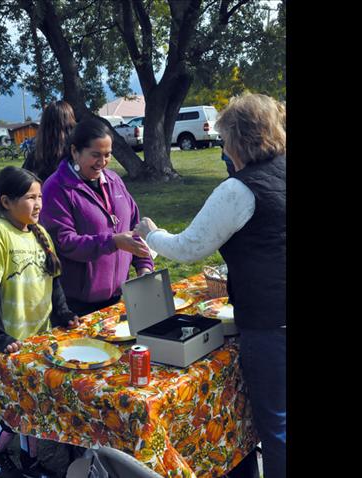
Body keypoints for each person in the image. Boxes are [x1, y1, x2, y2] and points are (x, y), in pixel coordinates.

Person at [134, 93, 286, 478]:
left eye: (223, 140)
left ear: (237, 140)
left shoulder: (239, 189)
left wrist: (152, 235)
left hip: (270, 322)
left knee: (278, 425)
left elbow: (190, 247)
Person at [0, 166, 80, 478]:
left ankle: (29, 461)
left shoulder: (39, 233)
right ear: (6, 201)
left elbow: (54, 280)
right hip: (8, 343)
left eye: (40, 197)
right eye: (30, 198)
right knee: (16, 406)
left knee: (35, 403)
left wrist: (64, 314)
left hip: (39, 338)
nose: (38, 204)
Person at [40, 117, 154, 317]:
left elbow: (135, 227)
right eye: (95, 155)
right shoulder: (56, 188)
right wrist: (113, 242)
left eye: (108, 155)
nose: (102, 162)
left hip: (119, 298)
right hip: (76, 306)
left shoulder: (114, 180)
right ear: (75, 152)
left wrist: (144, 267)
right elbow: (65, 242)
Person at [22, 101, 77, 182]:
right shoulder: (77, 153)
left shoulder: (35, 156)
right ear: (71, 122)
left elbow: (22, 182)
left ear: (44, 125)